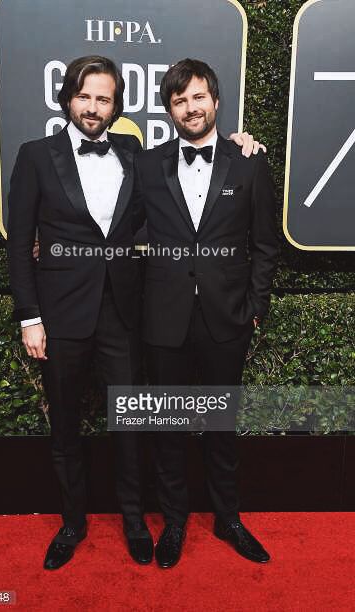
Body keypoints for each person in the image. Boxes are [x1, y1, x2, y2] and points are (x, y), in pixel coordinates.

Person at [7, 54, 262, 570]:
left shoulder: (133, 154)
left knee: (135, 426)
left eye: (104, 98)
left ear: (117, 106)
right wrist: (29, 315)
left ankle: (135, 522)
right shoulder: (37, 155)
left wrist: (242, 141)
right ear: (67, 100)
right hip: (63, 316)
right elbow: (20, 244)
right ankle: (74, 525)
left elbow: (250, 239)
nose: (93, 107)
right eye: (84, 96)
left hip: (126, 316)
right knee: (70, 429)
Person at [133, 58, 278, 568]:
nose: (190, 108)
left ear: (216, 101)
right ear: (168, 109)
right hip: (164, 319)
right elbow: (117, 226)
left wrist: (254, 308)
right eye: (178, 100)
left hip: (226, 319)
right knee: (169, 426)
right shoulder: (148, 165)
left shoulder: (249, 163)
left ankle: (228, 519)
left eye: (198, 97)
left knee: (221, 427)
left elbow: (264, 244)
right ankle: (174, 522)